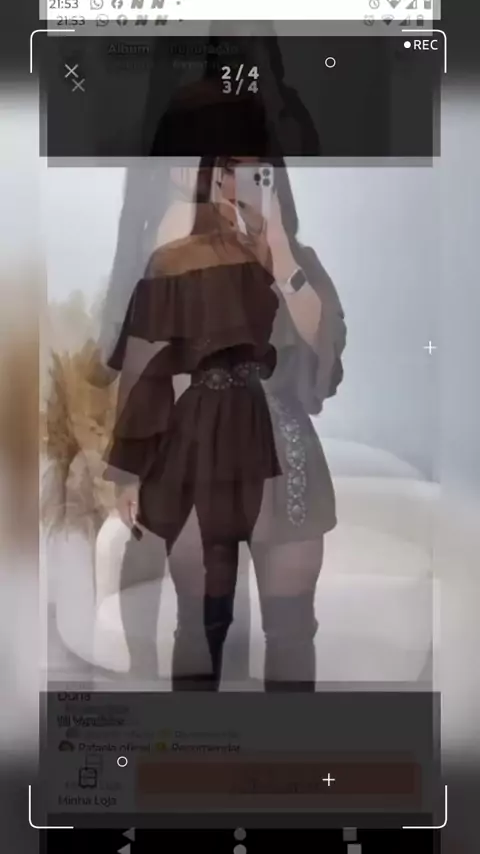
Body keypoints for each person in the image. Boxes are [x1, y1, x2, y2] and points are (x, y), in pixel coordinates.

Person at [103, 152, 346, 692]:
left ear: (275, 179)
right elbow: (145, 365)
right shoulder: (174, 260)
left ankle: (292, 746)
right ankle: (197, 740)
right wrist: (130, 471)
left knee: (291, 632)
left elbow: (326, 357)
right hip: (199, 450)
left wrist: (281, 255)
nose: (240, 183)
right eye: (228, 167)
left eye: (257, 170)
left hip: (286, 455)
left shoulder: (299, 261)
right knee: (199, 628)